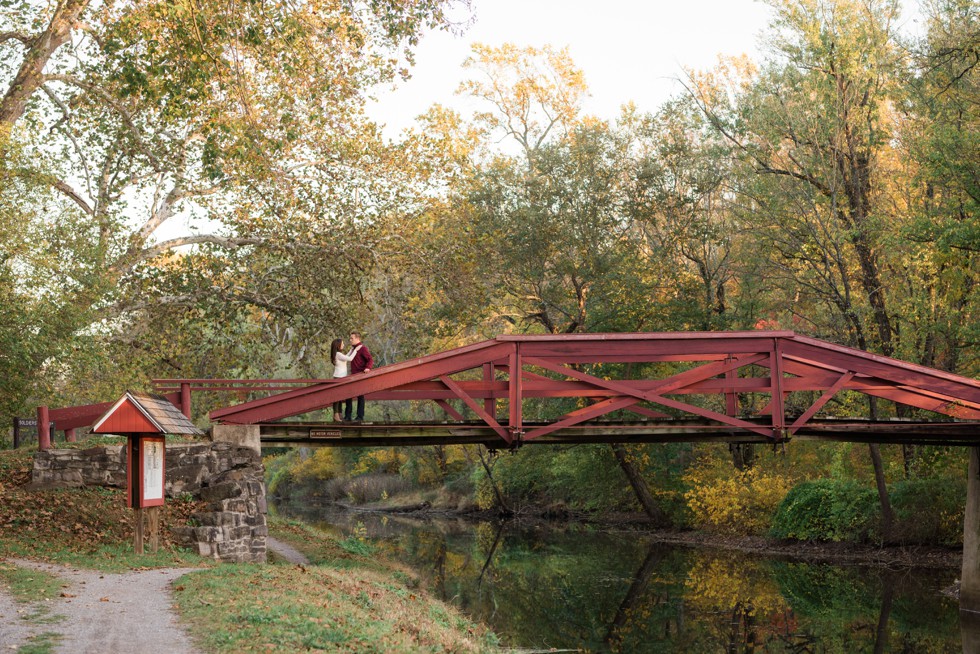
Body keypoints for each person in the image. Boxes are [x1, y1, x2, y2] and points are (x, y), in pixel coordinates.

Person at [330, 338, 360, 422]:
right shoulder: (338, 354)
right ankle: (336, 415)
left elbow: (346, 357)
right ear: (338, 345)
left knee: (339, 397)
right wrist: (356, 350)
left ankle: (339, 414)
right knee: (337, 397)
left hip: (341, 378)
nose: (343, 345)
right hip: (338, 378)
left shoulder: (338, 354)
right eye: (342, 344)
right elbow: (350, 359)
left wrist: (351, 349)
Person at [347, 331, 373, 422]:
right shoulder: (353, 349)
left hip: (360, 375)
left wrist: (368, 368)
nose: (350, 340)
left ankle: (360, 416)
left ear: (358, 339)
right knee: (348, 394)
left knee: (360, 396)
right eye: (350, 338)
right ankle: (348, 416)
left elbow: (370, 359)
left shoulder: (363, 348)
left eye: (352, 338)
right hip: (352, 376)